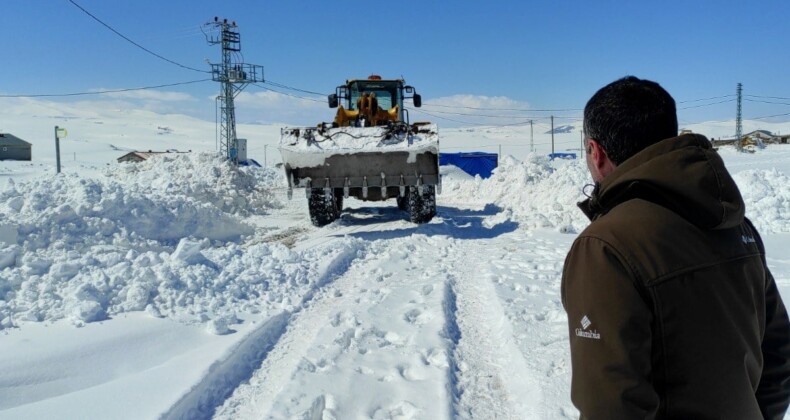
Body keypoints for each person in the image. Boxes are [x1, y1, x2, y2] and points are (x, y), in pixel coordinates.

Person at [562, 76, 790, 419]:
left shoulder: (607, 247)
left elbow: (612, 406)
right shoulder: (734, 223)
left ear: (596, 151)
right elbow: (779, 356)